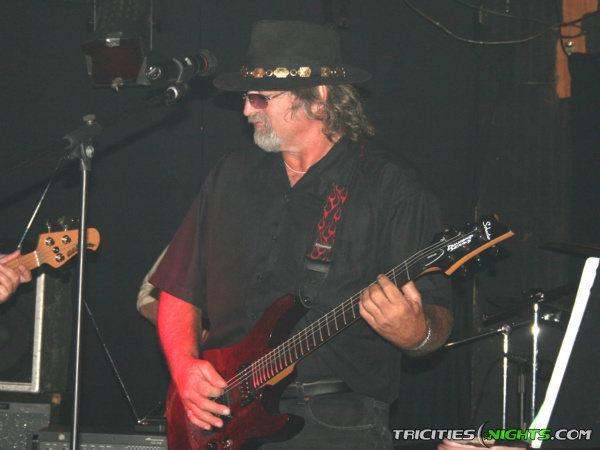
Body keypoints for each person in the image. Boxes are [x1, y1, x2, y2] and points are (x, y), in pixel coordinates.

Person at [150, 19, 453, 449]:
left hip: (333, 422)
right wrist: (183, 366)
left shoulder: (390, 186)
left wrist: (414, 331)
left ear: (318, 97)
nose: (246, 110)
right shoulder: (230, 175)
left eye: (260, 97)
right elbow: (178, 290)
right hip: (222, 419)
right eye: (245, 97)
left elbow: (437, 317)